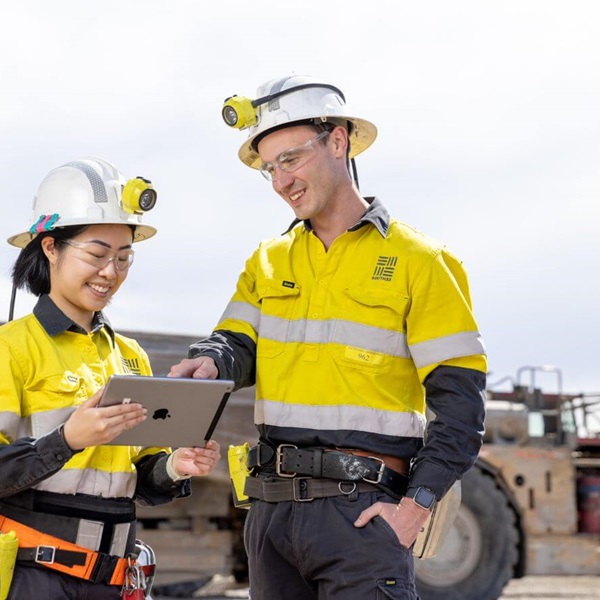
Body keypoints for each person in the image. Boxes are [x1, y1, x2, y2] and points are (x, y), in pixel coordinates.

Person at [170, 75, 487, 599]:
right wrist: (209, 364)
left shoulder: (422, 262)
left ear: (338, 141)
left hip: (363, 516)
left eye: (290, 160)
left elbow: (460, 406)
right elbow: (234, 344)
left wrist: (415, 508)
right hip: (270, 516)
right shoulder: (267, 260)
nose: (280, 182)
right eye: (270, 169)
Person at [0, 158, 221, 600]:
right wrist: (67, 439)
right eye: (97, 255)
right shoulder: (10, 348)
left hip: (115, 580)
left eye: (124, 258)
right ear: (49, 247)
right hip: (35, 580)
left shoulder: (131, 357)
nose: (111, 272)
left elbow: (142, 480)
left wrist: (176, 466)